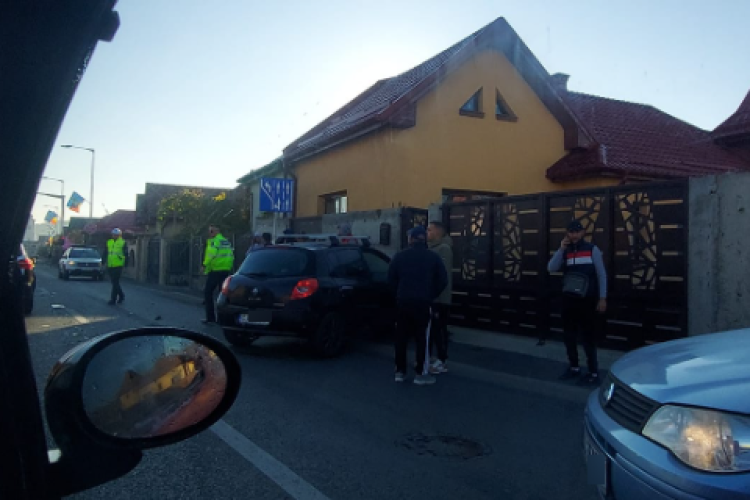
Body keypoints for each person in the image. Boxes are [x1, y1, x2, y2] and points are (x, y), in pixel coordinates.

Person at [547, 219, 607, 385]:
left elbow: (601, 274)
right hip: (569, 299)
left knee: (588, 337)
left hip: (587, 300)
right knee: (569, 336)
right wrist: (561, 249)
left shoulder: (592, 249)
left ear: (582, 233)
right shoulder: (565, 251)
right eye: (571, 232)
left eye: (577, 232)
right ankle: (574, 366)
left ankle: (593, 371)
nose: (574, 235)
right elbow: (551, 268)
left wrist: (602, 298)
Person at [388, 226, 448, 385]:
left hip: (403, 301)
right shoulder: (433, 257)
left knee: (400, 337)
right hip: (423, 302)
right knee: (422, 338)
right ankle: (421, 373)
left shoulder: (399, 256)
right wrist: (430, 294)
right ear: (424, 239)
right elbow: (443, 280)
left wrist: (399, 293)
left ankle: (400, 371)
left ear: (411, 239)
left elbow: (391, 279)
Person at [427, 221, 453, 374]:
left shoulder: (444, 249)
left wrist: (435, 293)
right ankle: (431, 357)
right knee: (431, 330)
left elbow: (442, 275)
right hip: (431, 297)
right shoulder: (431, 248)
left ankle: (442, 360)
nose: (427, 233)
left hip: (440, 298)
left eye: (429, 230)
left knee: (440, 329)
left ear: (437, 232)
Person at [201, 224, 234, 324]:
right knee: (222, 295)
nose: (210, 233)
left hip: (216, 270)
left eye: (211, 231)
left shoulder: (214, 241)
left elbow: (210, 255)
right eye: (209, 231)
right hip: (225, 270)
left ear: (217, 231)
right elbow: (231, 255)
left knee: (208, 292)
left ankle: (210, 318)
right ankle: (221, 318)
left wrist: (204, 265)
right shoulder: (226, 241)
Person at [104, 228, 128, 305]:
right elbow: (106, 252)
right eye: (114, 235)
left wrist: (126, 263)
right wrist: (103, 261)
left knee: (115, 282)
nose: (115, 236)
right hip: (110, 264)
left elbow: (126, 254)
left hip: (118, 265)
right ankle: (121, 295)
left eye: (117, 235)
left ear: (120, 235)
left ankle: (113, 299)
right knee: (114, 282)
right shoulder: (109, 242)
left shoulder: (123, 242)